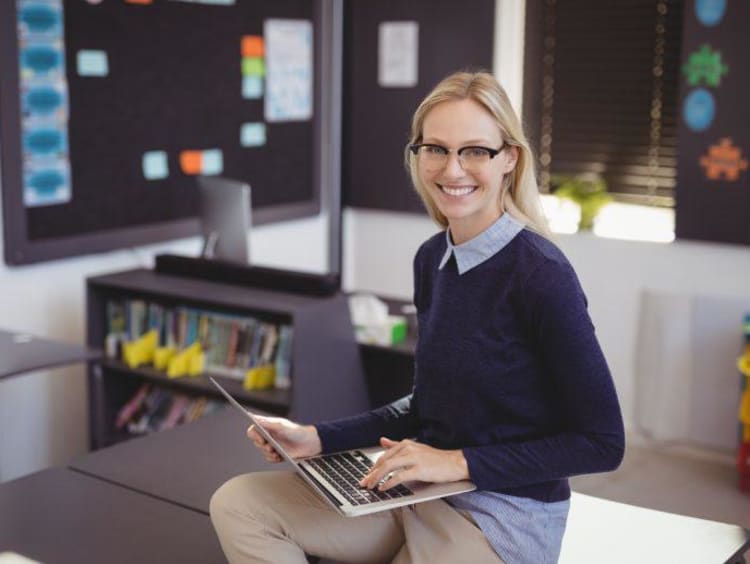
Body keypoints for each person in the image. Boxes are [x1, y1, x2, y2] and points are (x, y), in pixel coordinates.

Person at [210, 70, 625, 564]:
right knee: (239, 504)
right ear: (418, 155)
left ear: (509, 159)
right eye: (436, 149)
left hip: (499, 518)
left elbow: (601, 443)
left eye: (475, 150)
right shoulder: (433, 259)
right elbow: (426, 405)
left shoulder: (541, 274)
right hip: (416, 491)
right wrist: (316, 438)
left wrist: (455, 462)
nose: (452, 169)